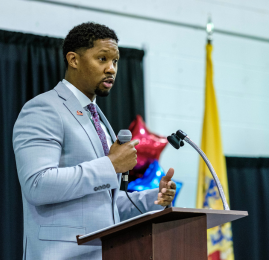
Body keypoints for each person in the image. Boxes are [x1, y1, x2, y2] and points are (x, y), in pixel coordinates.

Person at [13, 22, 177, 260]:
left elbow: (106, 202)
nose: (111, 69)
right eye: (102, 59)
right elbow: (38, 185)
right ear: (74, 60)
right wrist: (111, 165)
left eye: (115, 61)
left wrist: (154, 198)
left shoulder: (98, 119)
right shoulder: (44, 109)